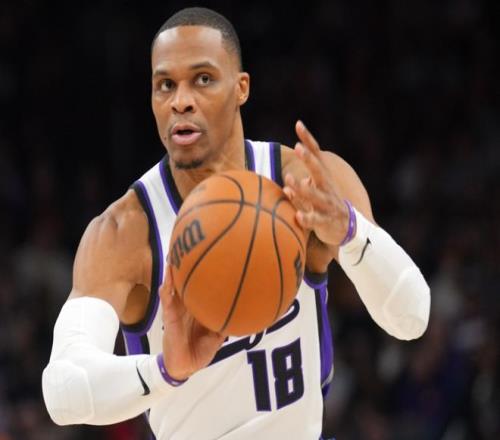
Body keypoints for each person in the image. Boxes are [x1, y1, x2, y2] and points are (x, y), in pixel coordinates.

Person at [41, 7, 431, 439]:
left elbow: (411, 316)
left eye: (202, 79)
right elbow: (62, 392)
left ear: (241, 87)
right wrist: (166, 371)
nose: (181, 100)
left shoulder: (304, 184)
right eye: (165, 85)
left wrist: (352, 234)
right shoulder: (126, 232)